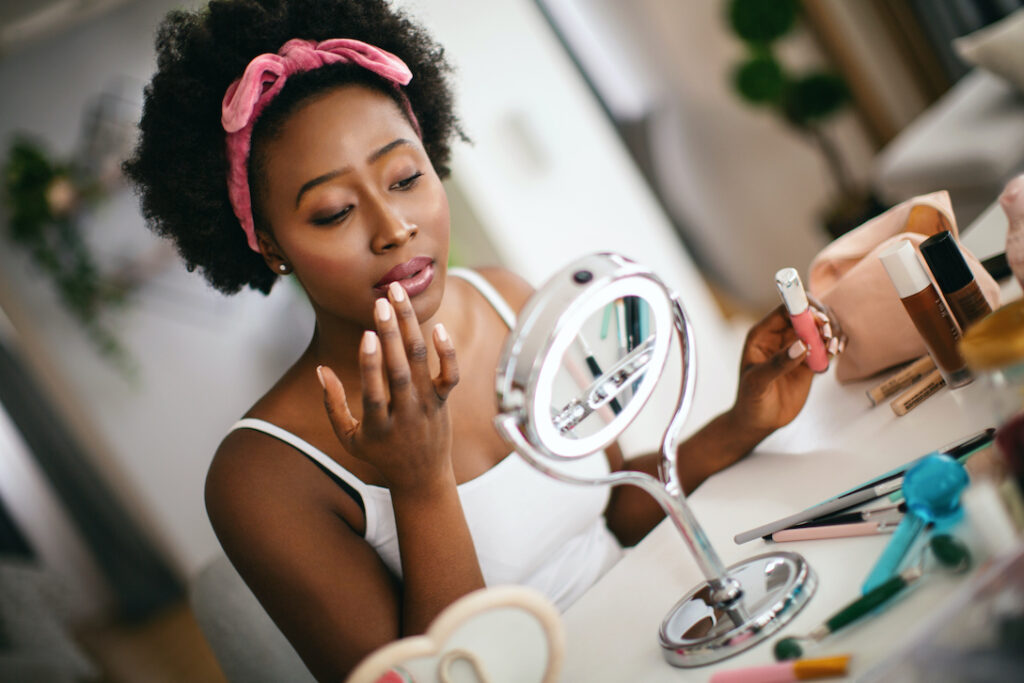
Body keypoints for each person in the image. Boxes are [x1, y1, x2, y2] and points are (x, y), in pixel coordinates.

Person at [124, 0, 842, 678]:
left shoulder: (505, 298)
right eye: (335, 211)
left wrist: (742, 422)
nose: (393, 226)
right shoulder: (261, 476)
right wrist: (420, 478)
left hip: (664, 631)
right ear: (270, 244)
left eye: (406, 176)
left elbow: (614, 507)